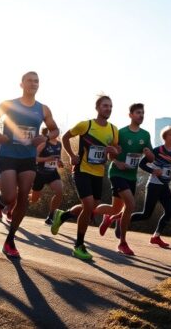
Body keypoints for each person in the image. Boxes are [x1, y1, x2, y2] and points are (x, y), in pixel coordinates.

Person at [0, 71, 59, 259]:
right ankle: (0, 200)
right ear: (22, 84)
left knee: (23, 199)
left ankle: (10, 240)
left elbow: (55, 129)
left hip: (28, 158)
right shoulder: (9, 104)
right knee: (10, 197)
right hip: (9, 155)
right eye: (30, 81)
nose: (33, 83)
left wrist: (46, 136)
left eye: (36, 81)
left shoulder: (43, 109)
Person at [50, 95, 120, 261]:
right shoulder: (86, 125)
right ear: (97, 108)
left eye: (110, 106)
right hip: (81, 170)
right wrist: (71, 155)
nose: (108, 109)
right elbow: (65, 137)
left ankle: (63, 216)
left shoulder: (113, 130)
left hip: (98, 174)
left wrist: (114, 152)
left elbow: (112, 155)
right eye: (105, 106)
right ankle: (78, 246)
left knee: (91, 208)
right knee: (88, 207)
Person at [95, 103, 154, 255]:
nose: (141, 115)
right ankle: (122, 243)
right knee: (131, 204)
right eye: (138, 113)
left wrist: (148, 154)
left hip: (131, 176)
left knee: (116, 208)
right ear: (131, 115)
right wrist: (117, 162)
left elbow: (152, 157)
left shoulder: (145, 135)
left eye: (143, 113)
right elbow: (110, 155)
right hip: (117, 173)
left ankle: (106, 217)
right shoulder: (120, 133)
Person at [130, 126, 171, 248]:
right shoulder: (157, 150)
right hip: (154, 185)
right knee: (146, 214)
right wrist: (153, 171)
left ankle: (156, 236)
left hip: (164, 186)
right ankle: (122, 221)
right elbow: (142, 164)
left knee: (170, 211)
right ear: (165, 137)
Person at [30, 128, 64, 225]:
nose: (55, 133)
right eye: (52, 132)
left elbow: (58, 158)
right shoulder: (43, 144)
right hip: (40, 173)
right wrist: (47, 159)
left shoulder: (59, 144)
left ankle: (51, 216)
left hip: (52, 173)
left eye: (56, 131)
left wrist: (59, 162)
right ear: (48, 133)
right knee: (34, 200)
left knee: (59, 191)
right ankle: (22, 196)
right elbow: (33, 158)